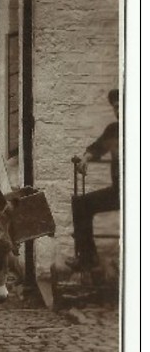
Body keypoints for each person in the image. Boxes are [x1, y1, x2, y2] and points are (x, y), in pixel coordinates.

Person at [66, 89, 120, 271]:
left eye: (122, 106)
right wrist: (86, 157)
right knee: (81, 203)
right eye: (116, 108)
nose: (119, 111)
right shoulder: (114, 130)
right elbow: (97, 147)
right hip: (119, 192)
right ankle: (88, 257)